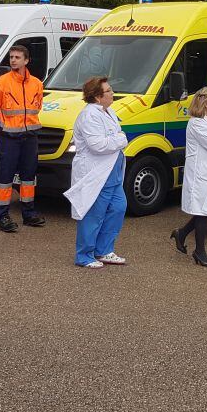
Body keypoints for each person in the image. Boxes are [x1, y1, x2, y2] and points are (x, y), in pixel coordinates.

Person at [66, 76, 128, 268]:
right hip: (97, 172)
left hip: (112, 172)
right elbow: (98, 145)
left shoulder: (108, 111)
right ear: (97, 96)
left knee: (118, 207)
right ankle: (84, 255)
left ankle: (104, 250)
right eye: (109, 91)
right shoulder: (89, 116)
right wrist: (121, 140)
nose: (112, 93)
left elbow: (113, 136)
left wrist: (117, 138)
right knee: (94, 213)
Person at [0, 44, 46, 232]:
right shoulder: (1, 83)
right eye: (11, 57)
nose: (13, 60)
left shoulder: (37, 84)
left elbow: (37, 107)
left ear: (26, 60)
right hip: (9, 138)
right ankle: (2, 216)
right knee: (5, 178)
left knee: (28, 178)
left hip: (30, 137)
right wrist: (4, 129)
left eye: (17, 57)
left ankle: (28, 213)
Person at [171, 87, 207, 267]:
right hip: (200, 173)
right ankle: (199, 251)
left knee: (204, 209)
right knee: (203, 211)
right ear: (206, 104)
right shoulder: (197, 124)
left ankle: (181, 233)